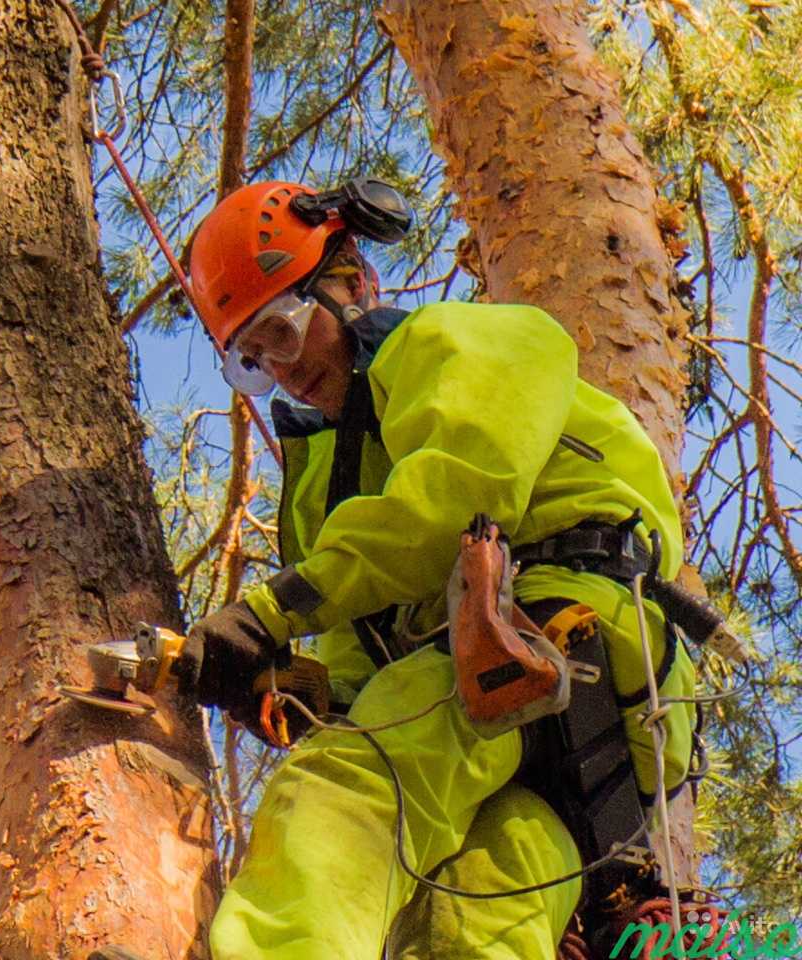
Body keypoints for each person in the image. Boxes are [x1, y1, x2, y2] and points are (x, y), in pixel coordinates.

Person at [91, 179, 698, 960]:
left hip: (549, 627)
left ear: (354, 284)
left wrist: (266, 615)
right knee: (467, 923)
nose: (281, 369)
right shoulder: (322, 490)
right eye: (252, 359)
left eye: (284, 329)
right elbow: (357, 644)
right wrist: (303, 690)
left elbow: (453, 499)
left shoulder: (462, 342)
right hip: (575, 765)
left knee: (342, 791)